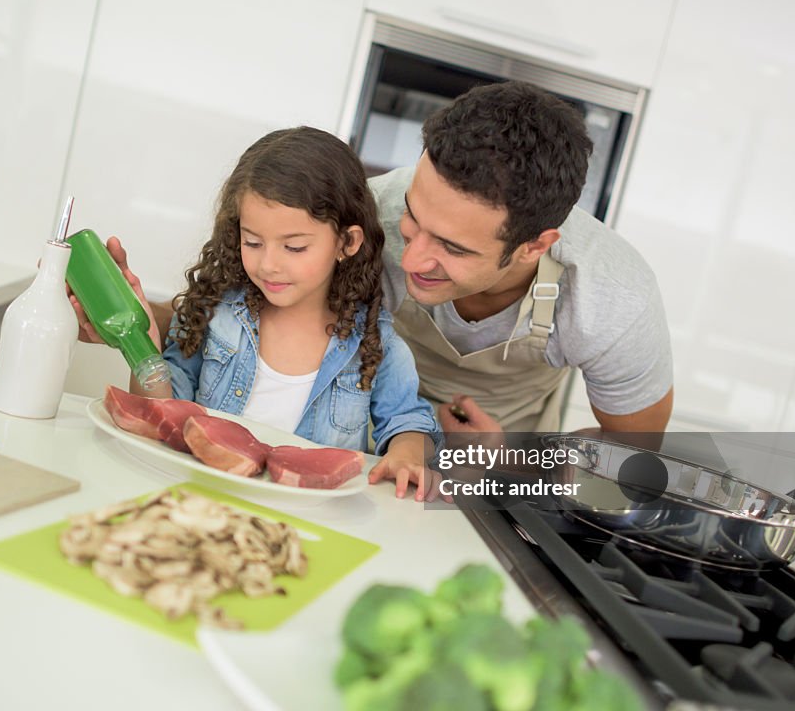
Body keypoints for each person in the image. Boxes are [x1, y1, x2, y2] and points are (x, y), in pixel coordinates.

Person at [73, 127, 445, 501]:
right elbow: (162, 415)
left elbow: (407, 421)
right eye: (252, 241)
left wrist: (408, 453)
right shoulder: (214, 314)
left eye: (294, 247)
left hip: (302, 518)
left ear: (347, 243)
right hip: (197, 500)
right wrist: (144, 348)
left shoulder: (374, 343)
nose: (268, 264)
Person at [368, 80, 674, 437]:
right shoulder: (367, 217)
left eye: (453, 247)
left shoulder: (615, 298)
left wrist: (506, 461)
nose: (411, 260)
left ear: (534, 247)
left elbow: (633, 449)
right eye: (411, 216)